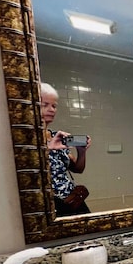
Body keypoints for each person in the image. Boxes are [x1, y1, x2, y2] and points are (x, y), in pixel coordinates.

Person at [40, 83, 92, 216]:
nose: (51, 109)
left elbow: (77, 169)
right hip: (50, 205)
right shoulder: (28, 141)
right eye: (45, 105)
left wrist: (81, 152)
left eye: (54, 106)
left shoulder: (56, 136)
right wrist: (48, 149)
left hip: (71, 199)